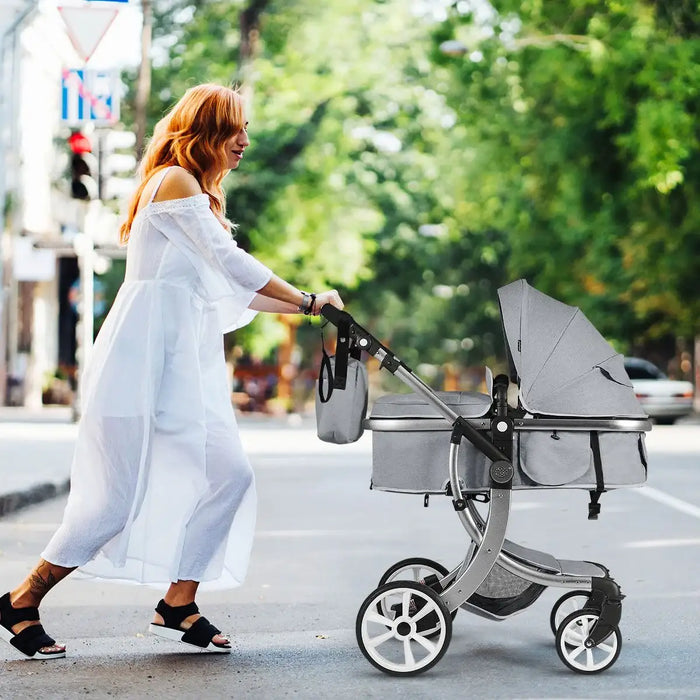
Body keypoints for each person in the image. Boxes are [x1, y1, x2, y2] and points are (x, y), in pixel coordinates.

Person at [0, 84, 344, 659]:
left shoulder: (200, 198)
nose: (245, 142)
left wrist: (312, 309)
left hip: (186, 363)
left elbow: (229, 284)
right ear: (205, 132)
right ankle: (22, 600)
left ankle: (178, 601)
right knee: (113, 498)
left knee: (230, 475)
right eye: (235, 130)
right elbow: (231, 263)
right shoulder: (174, 182)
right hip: (143, 360)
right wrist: (307, 297)